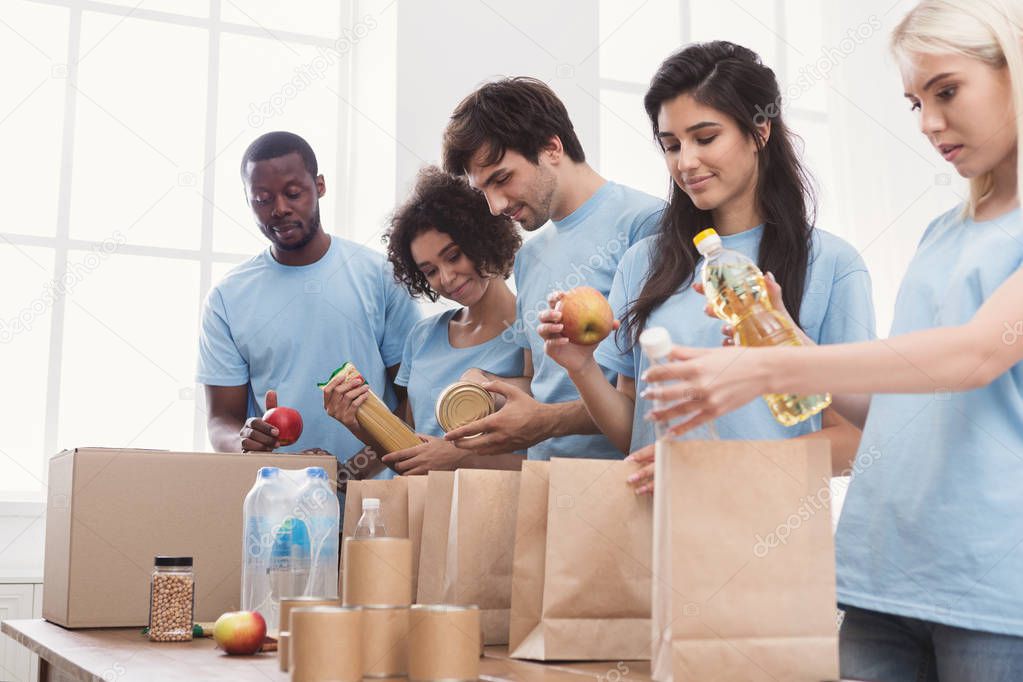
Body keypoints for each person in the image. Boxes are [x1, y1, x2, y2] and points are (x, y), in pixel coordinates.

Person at [643, 2, 1023, 678]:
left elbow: (975, 354)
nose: (930, 123)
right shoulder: (943, 232)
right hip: (881, 576)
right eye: (913, 103)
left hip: (989, 586)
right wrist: (779, 341)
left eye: (946, 91)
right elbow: (892, 412)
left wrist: (768, 374)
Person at [537, 42, 874, 493]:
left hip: (771, 532)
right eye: (671, 145)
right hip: (655, 530)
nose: (686, 162)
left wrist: (719, 466)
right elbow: (634, 433)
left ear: (760, 131)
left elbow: (853, 440)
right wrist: (580, 367)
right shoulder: (645, 263)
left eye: (705, 138)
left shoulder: (832, 265)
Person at [440, 76, 666, 460]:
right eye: (484, 191)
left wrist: (546, 421)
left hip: (618, 488)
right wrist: (491, 387)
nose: (495, 206)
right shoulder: (528, 258)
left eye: (502, 179)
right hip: (544, 486)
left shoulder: (646, 225)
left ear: (551, 147)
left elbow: (648, 404)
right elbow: (545, 383)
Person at [197, 131, 421, 483]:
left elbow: (413, 401)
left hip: (375, 501)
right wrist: (241, 440)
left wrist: (348, 475)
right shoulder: (227, 297)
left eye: (293, 193)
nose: (279, 209)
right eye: (262, 198)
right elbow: (220, 421)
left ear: (319, 186)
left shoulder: (380, 276)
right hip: (276, 501)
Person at [325, 166, 525, 474]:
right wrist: (357, 422)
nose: (446, 278)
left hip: (493, 512)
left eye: (454, 255)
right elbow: (409, 448)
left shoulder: (533, 332)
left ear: (484, 238)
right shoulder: (423, 337)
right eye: (430, 271)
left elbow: (546, 456)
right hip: (421, 510)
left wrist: (461, 458)